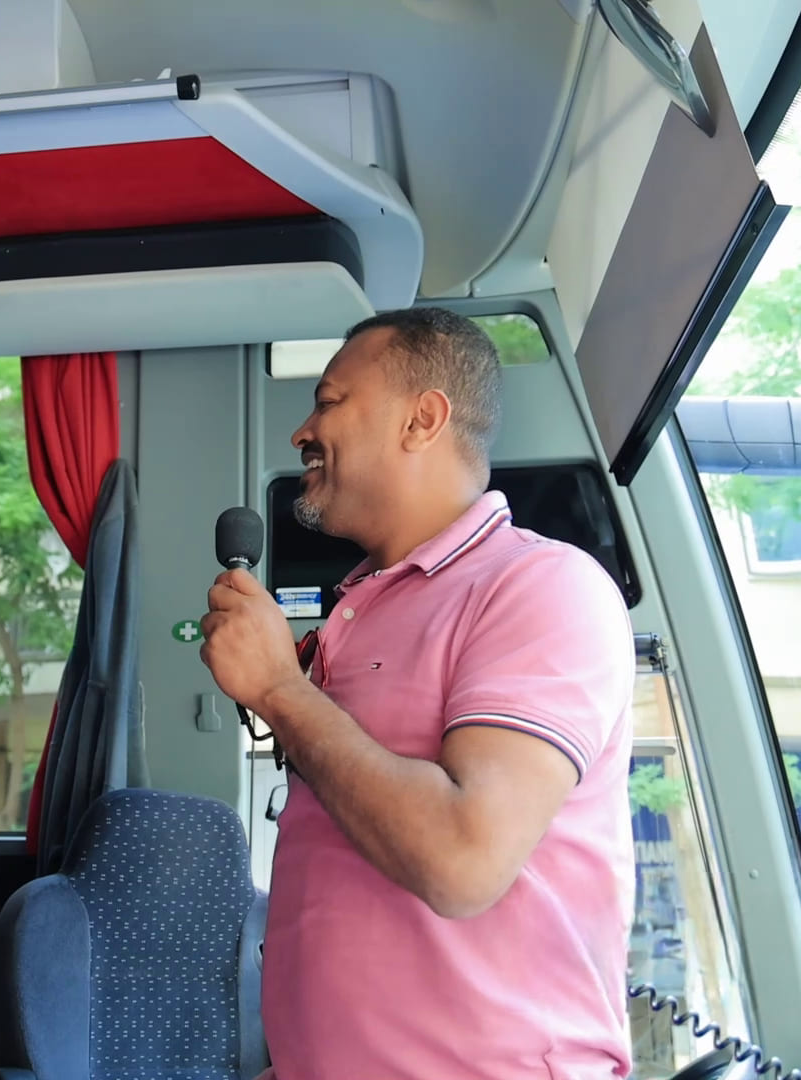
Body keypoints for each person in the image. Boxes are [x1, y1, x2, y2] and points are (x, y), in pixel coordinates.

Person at [197, 307, 636, 1079]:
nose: (302, 431)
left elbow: (463, 859)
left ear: (422, 419)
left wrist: (279, 691)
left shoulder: (540, 586)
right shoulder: (360, 610)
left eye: (329, 402)